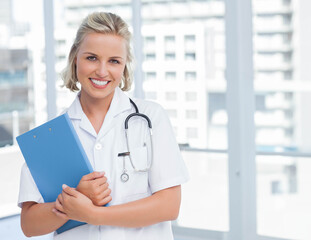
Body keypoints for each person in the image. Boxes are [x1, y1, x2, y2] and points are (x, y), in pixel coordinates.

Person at [18, 12, 189, 240]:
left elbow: (169, 206)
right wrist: (73, 199)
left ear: (124, 67)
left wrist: (93, 214)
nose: (101, 71)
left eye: (114, 61)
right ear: (75, 58)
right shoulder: (50, 136)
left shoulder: (150, 118)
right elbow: (29, 225)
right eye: (91, 58)